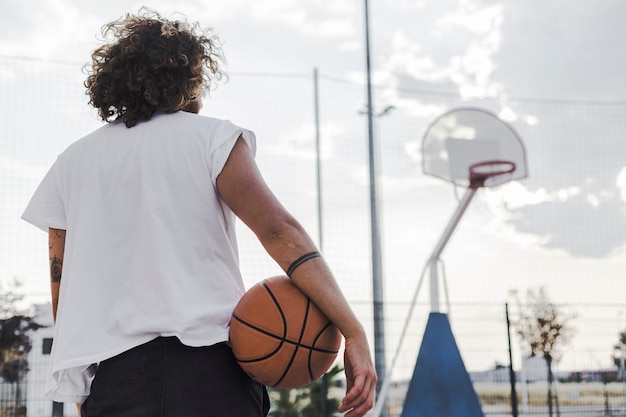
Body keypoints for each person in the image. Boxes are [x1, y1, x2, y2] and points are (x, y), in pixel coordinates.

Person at [22, 9, 376, 417]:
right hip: (211, 372)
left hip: (116, 378)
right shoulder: (212, 138)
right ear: (187, 79)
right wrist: (353, 332)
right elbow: (280, 232)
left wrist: (82, 380)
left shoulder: (72, 161)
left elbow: (61, 280)